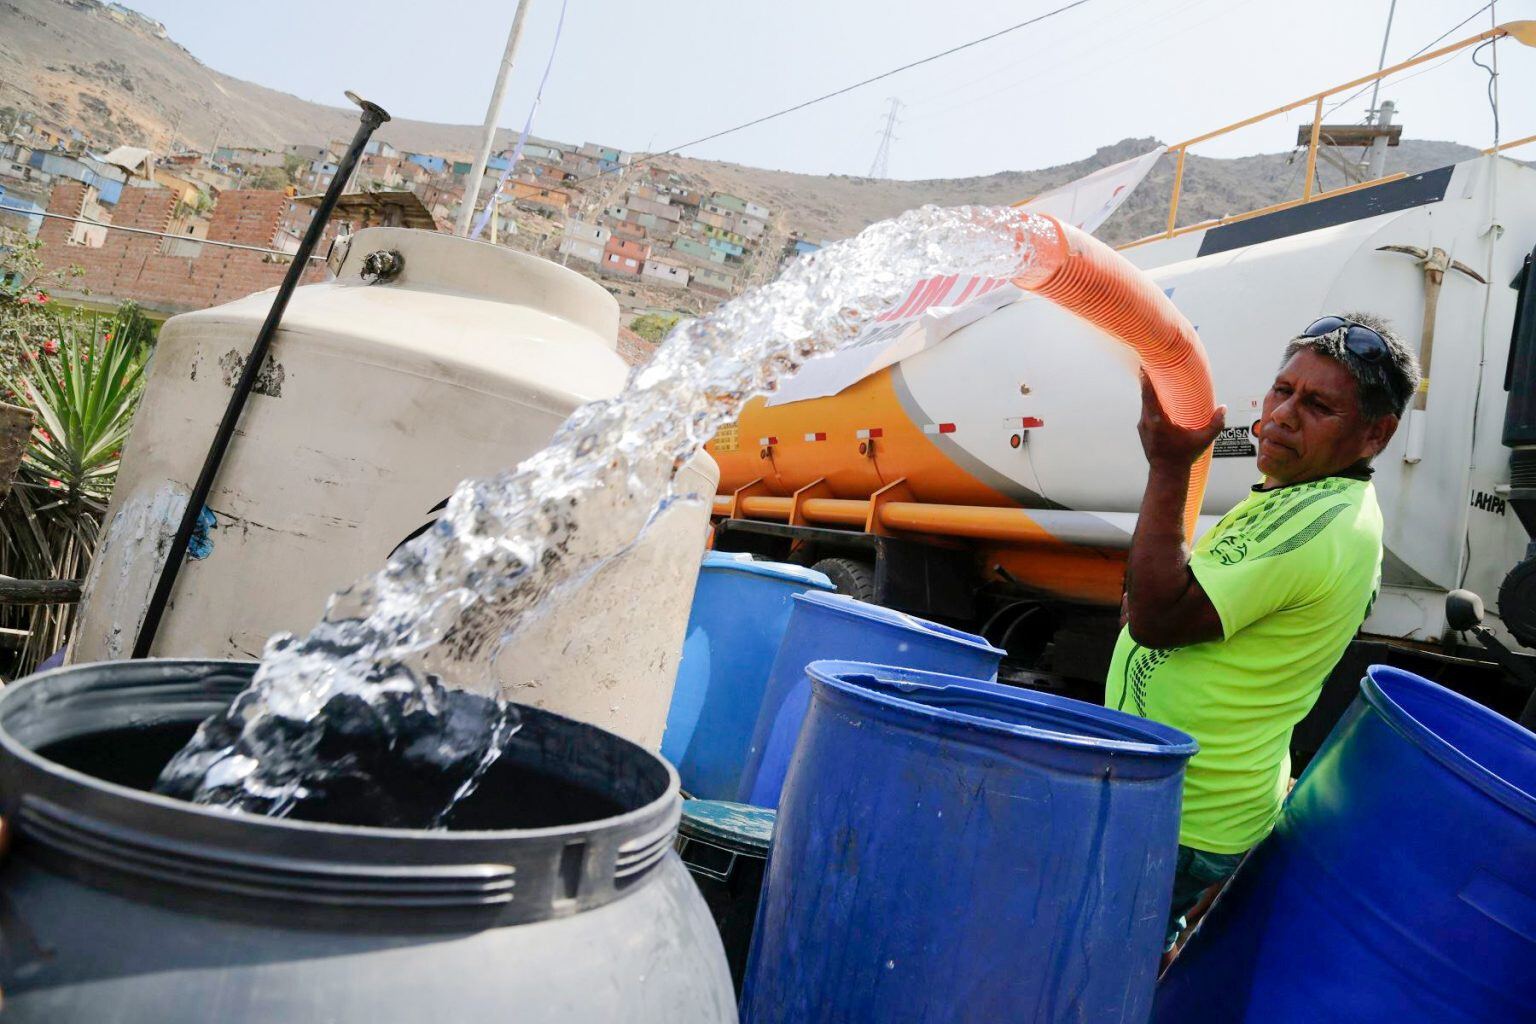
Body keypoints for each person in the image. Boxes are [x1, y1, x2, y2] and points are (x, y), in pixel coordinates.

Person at [1103, 313, 1421, 957]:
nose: (1281, 416)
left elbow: (1159, 619)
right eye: (1284, 392)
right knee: (1122, 957)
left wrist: (1168, 467)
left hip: (1184, 812)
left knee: (1098, 960)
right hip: (1171, 796)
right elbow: (1160, 604)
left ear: (1376, 434)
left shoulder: (1323, 522)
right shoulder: (1298, 494)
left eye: (1319, 405)